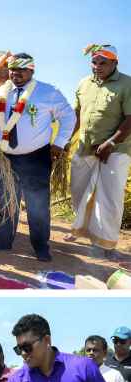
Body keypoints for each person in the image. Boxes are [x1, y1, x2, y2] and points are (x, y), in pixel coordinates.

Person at [0, 53, 75, 262]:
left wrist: (59, 143)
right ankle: (4, 240)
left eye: (22, 70)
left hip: (35, 157)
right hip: (4, 157)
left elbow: (69, 116)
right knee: (6, 199)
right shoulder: (0, 92)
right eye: (12, 69)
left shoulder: (48, 92)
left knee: (37, 203)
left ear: (32, 71)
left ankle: (40, 246)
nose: (16, 74)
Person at [67, 44, 131, 257]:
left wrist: (111, 143)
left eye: (103, 62)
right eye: (94, 62)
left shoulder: (126, 84)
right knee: (77, 189)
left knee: (110, 196)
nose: (97, 66)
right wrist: (66, 139)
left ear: (115, 63)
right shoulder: (83, 84)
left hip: (116, 150)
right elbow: (77, 115)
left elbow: (130, 119)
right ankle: (83, 229)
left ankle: (106, 244)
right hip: (85, 147)